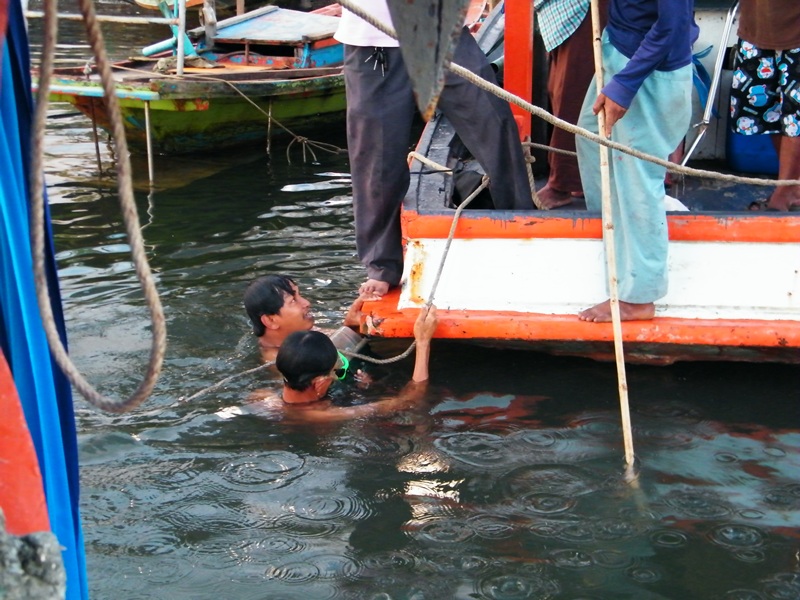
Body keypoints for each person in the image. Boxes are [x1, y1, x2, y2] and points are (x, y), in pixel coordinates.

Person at [334, 1, 535, 298]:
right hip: (373, 41)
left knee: (493, 123)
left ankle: (524, 223)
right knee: (376, 157)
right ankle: (382, 264)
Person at [575, 0, 697, 323]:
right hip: (619, 49)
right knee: (589, 139)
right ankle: (616, 244)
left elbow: (673, 26)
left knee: (636, 176)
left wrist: (626, 84)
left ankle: (638, 297)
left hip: (651, 73)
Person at [266, 306, 438, 422]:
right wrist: (423, 342)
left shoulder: (264, 398)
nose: (341, 374)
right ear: (319, 383)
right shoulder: (324, 415)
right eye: (338, 373)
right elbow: (408, 401)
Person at [534, 0, 608, 209]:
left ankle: (562, 184)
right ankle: (580, 176)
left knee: (572, 94)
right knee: (558, 89)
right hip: (562, 11)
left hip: (584, 8)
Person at [730, 0, 800, 212]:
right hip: (758, 27)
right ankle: (793, 187)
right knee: (768, 114)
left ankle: (784, 192)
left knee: (795, 117)